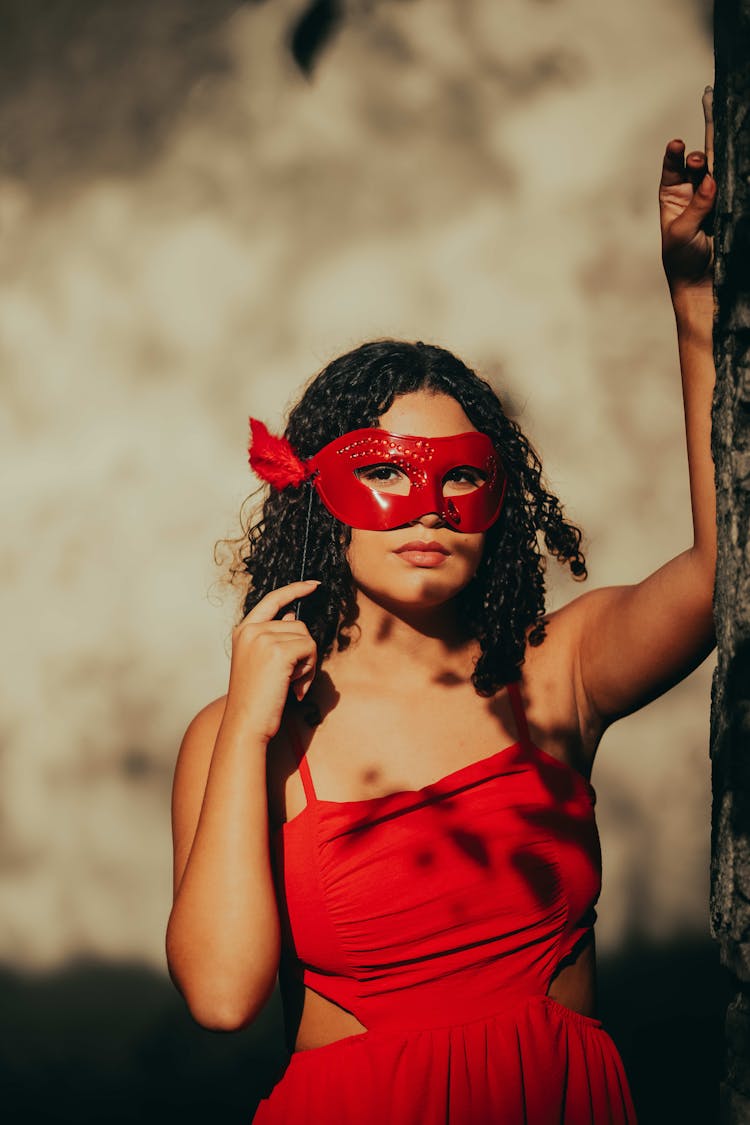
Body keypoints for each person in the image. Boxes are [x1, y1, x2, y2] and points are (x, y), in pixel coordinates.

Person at [165, 90, 717, 1124]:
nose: (428, 508)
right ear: (315, 497)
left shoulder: (563, 667)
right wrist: (248, 723)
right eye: (385, 474)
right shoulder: (246, 735)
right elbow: (223, 994)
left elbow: (728, 575)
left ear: (503, 498)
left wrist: (695, 320)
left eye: (462, 478)